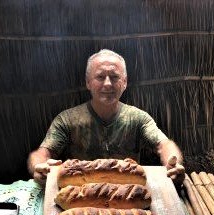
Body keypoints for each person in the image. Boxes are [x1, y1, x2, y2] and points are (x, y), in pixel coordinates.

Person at [28, 49, 185, 185]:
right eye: (100, 77)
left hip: (127, 192)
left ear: (124, 82)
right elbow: (42, 153)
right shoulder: (67, 119)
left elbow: (164, 145)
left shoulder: (138, 118)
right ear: (88, 82)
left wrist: (173, 164)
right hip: (80, 192)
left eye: (115, 77)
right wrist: (39, 167)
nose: (108, 83)